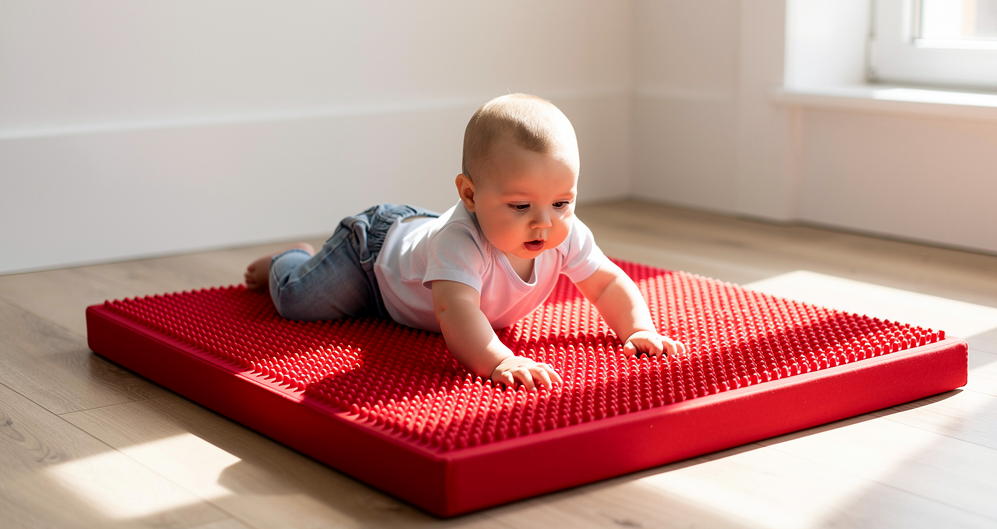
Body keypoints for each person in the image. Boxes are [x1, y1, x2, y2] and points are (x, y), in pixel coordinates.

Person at [245, 94, 684, 390]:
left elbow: (606, 284)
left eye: (561, 202)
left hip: (414, 264)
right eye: (520, 206)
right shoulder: (462, 241)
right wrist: (498, 360)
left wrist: (639, 328)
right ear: (470, 195)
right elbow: (455, 313)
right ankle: (290, 260)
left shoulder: (563, 233)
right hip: (372, 259)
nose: (543, 224)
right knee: (297, 301)